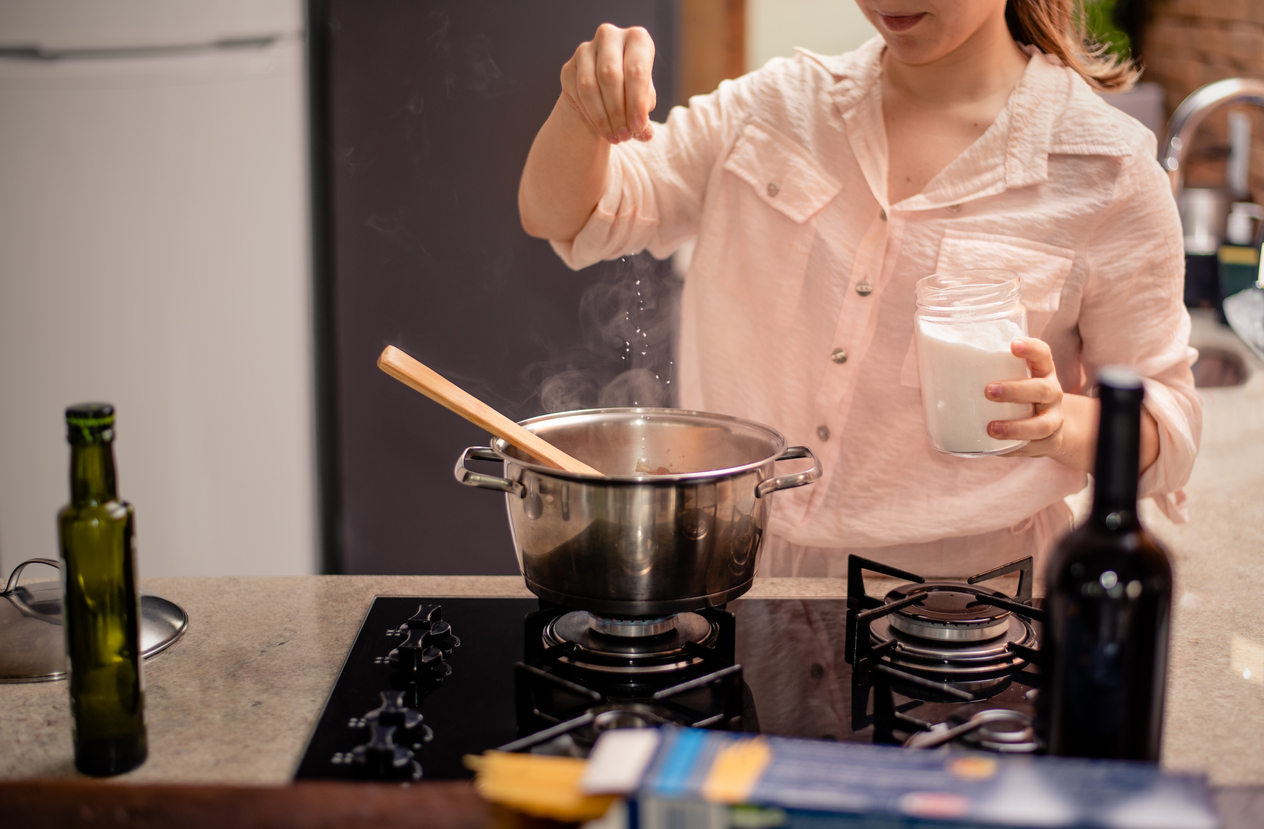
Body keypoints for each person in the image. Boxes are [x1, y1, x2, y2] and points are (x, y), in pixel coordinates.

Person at [517, 0, 1200, 578]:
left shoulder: (1106, 169)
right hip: (742, 571)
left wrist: (1057, 421)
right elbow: (568, 214)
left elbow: (1166, 426)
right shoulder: (773, 106)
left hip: (968, 603)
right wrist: (584, 109)